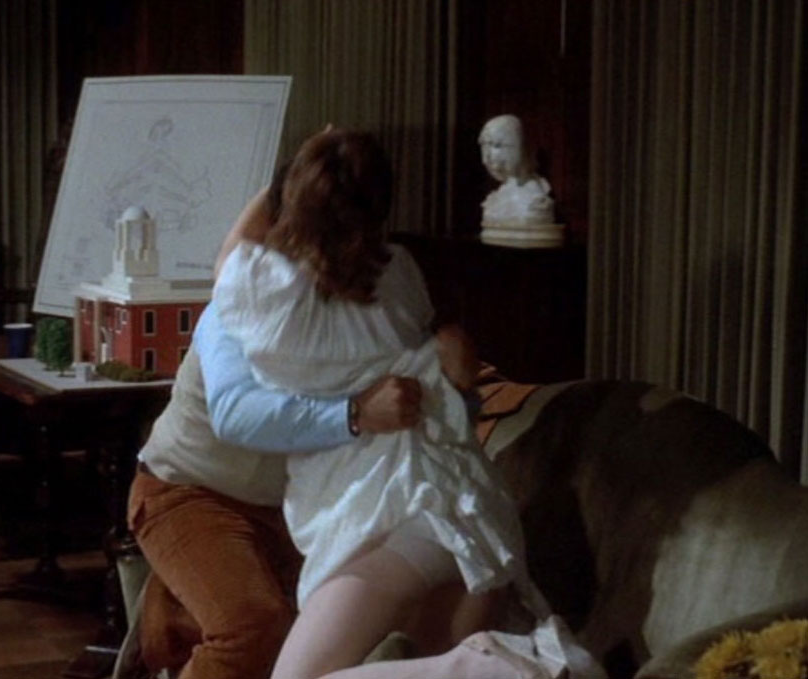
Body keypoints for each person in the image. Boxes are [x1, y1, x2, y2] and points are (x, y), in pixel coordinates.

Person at [209, 127, 604, 679]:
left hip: (405, 516)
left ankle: (523, 666)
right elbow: (448, 404)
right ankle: (503, 663)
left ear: (294, 201)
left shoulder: (266, 291)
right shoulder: (400, 272)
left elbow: (229, 252)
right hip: (461, 508)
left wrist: (290, 175)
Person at [128, 315, 428, 679]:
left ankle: (172, 621)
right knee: (256, 628)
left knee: (359, 616)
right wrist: (355, 412)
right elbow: (239, 415)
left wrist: (444, 353)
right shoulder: (234, 312)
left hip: (287, 507)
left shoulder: (359, 319)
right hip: (186, 488)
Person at [477, 114, 555, 228]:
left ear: (520, 147)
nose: (486, 158)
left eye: (496, 145)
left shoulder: (537, 201)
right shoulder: (496, 198)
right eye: (484, 146)